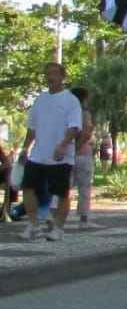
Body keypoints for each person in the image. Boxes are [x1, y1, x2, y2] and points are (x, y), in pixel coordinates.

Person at [19, 62, 81, 242]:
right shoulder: (40, 99)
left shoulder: (70, 100)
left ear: (62, 77)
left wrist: (63, 145)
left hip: (60, 157)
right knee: (28, 188)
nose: (50, 77)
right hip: (38, 155)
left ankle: (58, 228)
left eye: (54, 73)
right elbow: (32, 128)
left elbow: (75, 126)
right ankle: (32, 226)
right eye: (47, 73)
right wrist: (25, 148)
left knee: (61, 193)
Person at [70, 87, 98, 228]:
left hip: (66, 153)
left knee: (62, 187)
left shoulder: (66, 113)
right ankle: (84, 219)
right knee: (84, 187)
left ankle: (55, 219)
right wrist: (77, 146)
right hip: (82, 153)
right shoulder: (85, 113)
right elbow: (87, 132)